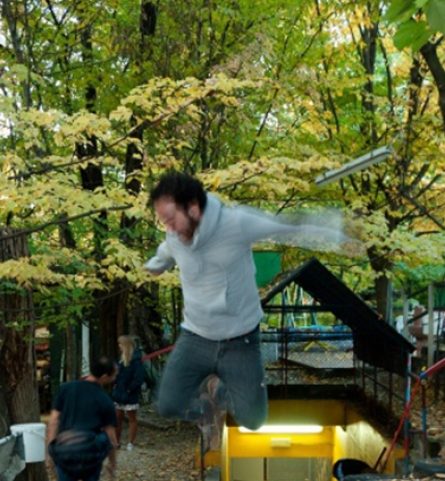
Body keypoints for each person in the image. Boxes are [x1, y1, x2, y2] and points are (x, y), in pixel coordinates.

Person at [144, 170, 360, 445]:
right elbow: (166, 249)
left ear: (194, 209)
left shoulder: (236, 223)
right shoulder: (175, 236)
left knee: (253, 420)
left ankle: (220, 389)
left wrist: (339, 233)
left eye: (172, 219)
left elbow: (287, 227)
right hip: (196, 337)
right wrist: (157, 264)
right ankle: (209, 403)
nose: (169, 228)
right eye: (165, 222)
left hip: (241, 341)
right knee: (168, 405)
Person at [44, 356, 119, 481]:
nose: (115, 379)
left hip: (65, 451)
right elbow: (111, 435)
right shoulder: (105, 399)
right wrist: (112, 462)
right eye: (114, 375)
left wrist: (50, 451)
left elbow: (54, 421)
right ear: (104, 376)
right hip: (89, 454)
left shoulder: (66, 389)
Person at [113, 335, 145, 450]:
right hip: (119, 393)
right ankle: (116, 442)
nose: (119, 346)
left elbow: (139, 378)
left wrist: (130, 389)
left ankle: (130, 443)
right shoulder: (120, 360)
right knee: (117, 418)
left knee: (132, 418)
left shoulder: (136, 361)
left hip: (130, 394)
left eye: (120, 344)